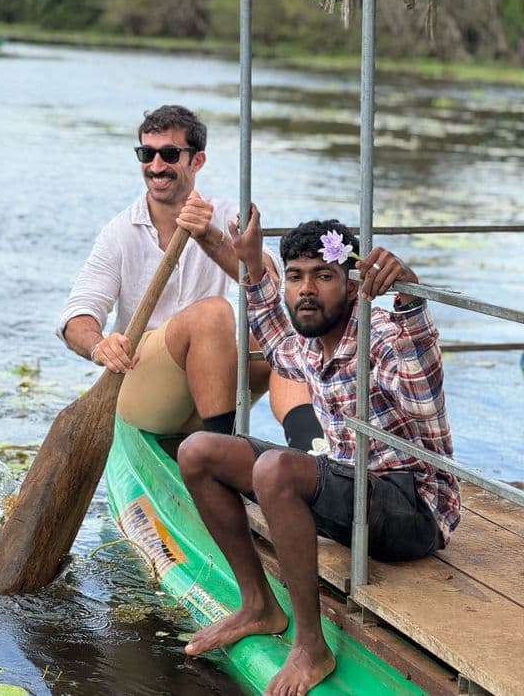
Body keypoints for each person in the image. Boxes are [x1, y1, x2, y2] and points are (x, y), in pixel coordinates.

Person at [177, 208, 461, 695]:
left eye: (323, 276)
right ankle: (258, 606)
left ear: (352, 285)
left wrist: (411, 302)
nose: (306, 289)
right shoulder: (310, 346)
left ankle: (311, 646)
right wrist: (251, 267)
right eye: (295, 277)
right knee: (198, 450)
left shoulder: (384, 339)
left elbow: (425, 401)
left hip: (413, 509)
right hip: (352, 489)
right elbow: (273, 337)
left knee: (277, 469)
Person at [57, 104, 311, 437]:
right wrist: (98, 345)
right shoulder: (118, 232)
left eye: (170, 154)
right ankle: (222, 449)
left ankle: (313, 449)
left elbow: (271, 281)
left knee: (279, 338)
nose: (156, 166)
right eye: (147, 154)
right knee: (212, 314)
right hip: (143, 385)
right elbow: (76, 316)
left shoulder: (226, 215)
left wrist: (210, 237)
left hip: (208, 379)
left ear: (197, 160)